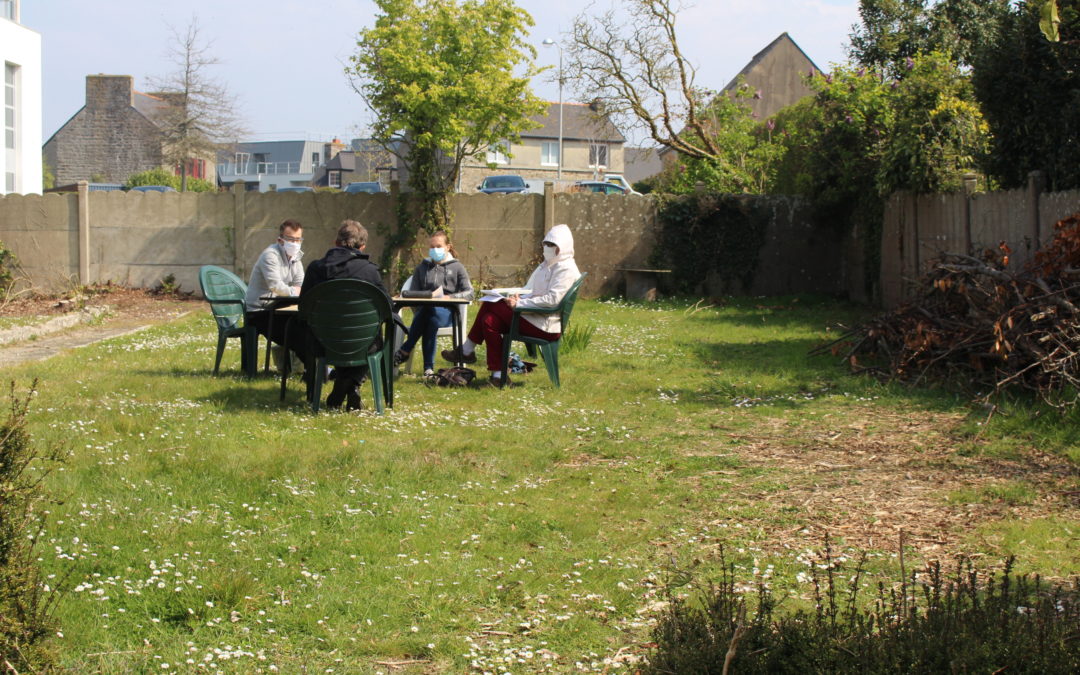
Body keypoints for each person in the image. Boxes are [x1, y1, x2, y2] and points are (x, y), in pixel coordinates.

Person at [441, 223, 581, 387]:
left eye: (552, 245)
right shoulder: (548, 265)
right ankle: (498, 376)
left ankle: (467, 350)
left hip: (545, 326)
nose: (547, 248)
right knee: (488, 320)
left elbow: (552, 300)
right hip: (534, 317)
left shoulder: (566, 268)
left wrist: (520, 303)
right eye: (546, 244)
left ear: (562, 247)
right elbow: (537, 292)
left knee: (491, 305)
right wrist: (521, 296)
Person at [298, 220, 387, 410]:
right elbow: (386, 307)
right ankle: (350, 385)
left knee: (344, 335)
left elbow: (303, 307)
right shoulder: (370, 271)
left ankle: (343, 385)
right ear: (362, 246)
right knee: (373, 338)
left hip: (322, 342)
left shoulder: (316, 268)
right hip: (361, 343)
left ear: (335, 242)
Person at [394, 230, 474, 376]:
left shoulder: (457, 267)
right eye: (432, 247)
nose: (434, 250)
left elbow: (470, 293)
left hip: (448, 313)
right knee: (429, 315)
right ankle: (428, 370)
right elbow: (412, 293)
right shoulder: (421, 267)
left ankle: (406, 350)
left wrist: (450, 298)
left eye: (438, 246)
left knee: (429, 314)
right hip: (425, 312)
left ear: (448, 247)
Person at [244, 219, 306, 357]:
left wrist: (297, 290)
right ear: (280, 240)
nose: (295, 243)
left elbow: (302, 284)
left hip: (278, 307)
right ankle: (315, 370)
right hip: (259, 311)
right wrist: (295, 291)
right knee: (296, 334)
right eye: (290, 239)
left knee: (307, 326)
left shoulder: (297, 257)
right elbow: (276, 286)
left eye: (298, 239)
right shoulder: (270, 256)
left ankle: (317, 369)